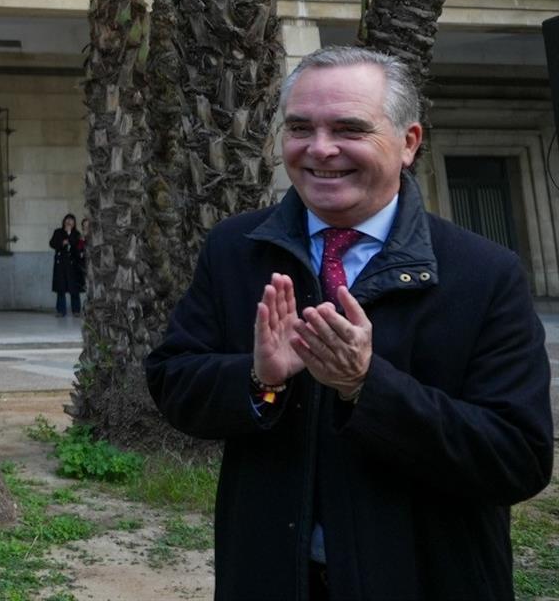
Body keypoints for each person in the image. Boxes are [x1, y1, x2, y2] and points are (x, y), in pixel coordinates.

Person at [146, 45, 552, 600]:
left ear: (408, 142)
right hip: (270, 578)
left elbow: (518, 459)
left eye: (349, 128)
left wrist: (366, 385)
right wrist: (260, 380)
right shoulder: (235, 249)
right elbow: (172, 379)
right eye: (300, 128)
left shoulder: (484, 274)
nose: (320, 149)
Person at [49, 213, 86, 316]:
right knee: (60, 288)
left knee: (74, 289)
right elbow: (52, 243)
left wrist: (69, 235)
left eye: (71, 220)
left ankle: (76, 310)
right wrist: (62, 243)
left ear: (74, 223)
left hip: (73, 265)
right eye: (67, 220)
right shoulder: (58, 232)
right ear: (64, 221)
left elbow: (76, 245)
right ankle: (61, 310)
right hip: (61, 264)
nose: (69, 222)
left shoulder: (76, 234)